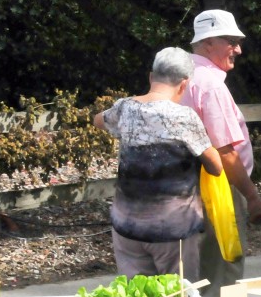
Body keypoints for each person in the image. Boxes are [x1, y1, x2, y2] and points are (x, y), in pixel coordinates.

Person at [95, 48, 223, 279]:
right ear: (184, 84)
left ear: (151, 77)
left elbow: (98, 120)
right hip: (173, 230)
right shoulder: (184, 117)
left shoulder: (125, 107)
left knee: (138, 296)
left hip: (127, 227)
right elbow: (216, 166)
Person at [181, 9, 261, 297]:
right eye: (231, 41)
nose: (238, 49)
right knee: (224, 267)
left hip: (183, 185)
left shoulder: (179, 77)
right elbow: (225, 152)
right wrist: (252, 196)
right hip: (216, 186)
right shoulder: (210, 85)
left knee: (196, 269)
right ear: (208, 43)